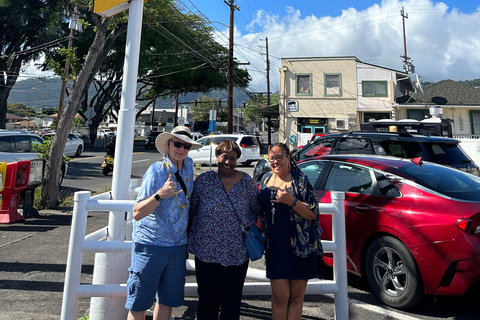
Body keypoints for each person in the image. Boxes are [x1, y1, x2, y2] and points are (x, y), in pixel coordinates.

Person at [125, 126, 202, 320]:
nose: (181, 149)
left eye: (186, 146)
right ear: (168, 144)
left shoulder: (189, 165)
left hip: (177, 246)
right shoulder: (156, 171)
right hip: (151, 245)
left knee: (167, 301)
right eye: (177, 144)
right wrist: (160, 195)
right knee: (139, 303)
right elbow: (136, 212)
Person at [187, 139, 260, 320]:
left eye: (233, 158)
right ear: (217, 157)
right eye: (224, 157)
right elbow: (192, 210)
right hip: (206, 252)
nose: (228, 162)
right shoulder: (204, 181)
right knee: (206, 302)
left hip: (237, 253)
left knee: (232, 303)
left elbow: (255, 210)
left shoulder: (247, 183)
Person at [258, 142, 323, 320]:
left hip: (300, 248)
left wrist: (291, 201)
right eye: (272, 158)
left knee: (296, 297)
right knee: (279, 296)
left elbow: (313, 214)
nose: (276, 161)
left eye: (280, 157)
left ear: (288, 158)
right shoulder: (265, 179)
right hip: (276, 248)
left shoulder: (300, 180)